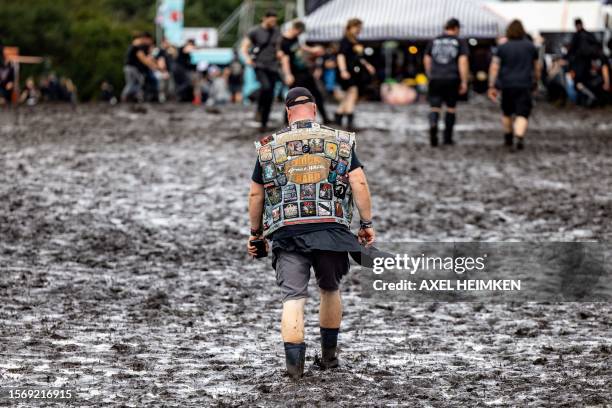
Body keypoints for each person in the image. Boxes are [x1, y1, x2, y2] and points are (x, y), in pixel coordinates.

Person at [247, 87, 376, 379]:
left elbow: (256, 195)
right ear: (315, 109)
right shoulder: (340, 141)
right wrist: (366, 224)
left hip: (287, 232)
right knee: (329, 289)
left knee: (293, 298)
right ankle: (329, 359)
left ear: (287, 112)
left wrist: (255, 234)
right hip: (331, 231)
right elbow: (359, 182)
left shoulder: (269, 147)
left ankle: (294, 370)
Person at [488, 20, 540, 150]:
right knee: (522, 113)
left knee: (507, 112)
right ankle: (519, 136)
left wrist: (492, 85)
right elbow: (537, 66)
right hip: (524, 83)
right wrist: (537, 80)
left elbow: (494, 67)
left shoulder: (502, 47)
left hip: (506, 84)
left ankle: (508, 136)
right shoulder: (530, 46)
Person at [423, 18, 469, 146]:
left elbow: (427, 58)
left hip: (435, 77)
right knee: (451, 108)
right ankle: (447, 138)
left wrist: (430, 74)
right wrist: (464, 81)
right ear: (455, 28)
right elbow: (463, 61)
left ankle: (433, 125)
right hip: (452, 77)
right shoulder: (459, 41)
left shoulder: (434, 40)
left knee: (434, 106)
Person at [278, 19, 330, 124]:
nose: (301, 34)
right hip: (294, 73)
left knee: (316, 93)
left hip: (304, 71)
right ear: (296, 29)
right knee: (293, 97)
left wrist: (313, 50)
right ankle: (287, 119)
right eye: (300, 32)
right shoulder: (283, 41)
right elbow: (285, 59)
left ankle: (325, 118)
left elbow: (301, 47)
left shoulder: (295, 38)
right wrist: (288, 74)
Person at [241, 10, 281, 131]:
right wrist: (247, 58)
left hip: (273, 65)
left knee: (270, 93)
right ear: (264, 18)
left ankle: (264, 121)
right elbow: (244, 46)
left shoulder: (277, 31)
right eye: (271, 20)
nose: (273, 23)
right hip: (259, 65)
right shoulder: (255, 31)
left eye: (275, 21)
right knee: (266, 87)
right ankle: (259, 107)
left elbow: (278, 46)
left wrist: (280, 54)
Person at [335, 18, 376, 130]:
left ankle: (338, 116)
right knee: (353, 93)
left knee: (349, 95)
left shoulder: (355, 41)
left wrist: (367, 65)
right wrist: (343, 70)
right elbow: (340, 55)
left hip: (355, 71)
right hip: (347, 71)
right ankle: (349, 117)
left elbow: (358, 57)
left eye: (360, 28)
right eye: (357, 27)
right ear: (350, 27)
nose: (359, 30)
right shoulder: (345, 40)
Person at [121, 32, 157, 102]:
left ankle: (130, 98)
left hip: (130, 67)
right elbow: (142, 58)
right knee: (134, 83)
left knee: (135, 83)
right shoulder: (137, 45)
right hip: (131, 68)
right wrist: (153, 66)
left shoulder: (135, 45)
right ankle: (125, 98)